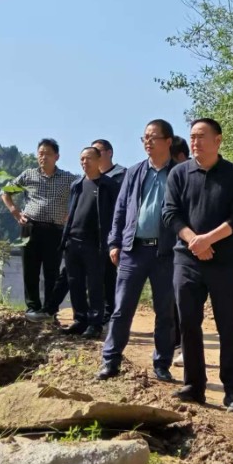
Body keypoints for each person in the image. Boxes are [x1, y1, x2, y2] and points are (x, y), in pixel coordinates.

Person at [163, 118, 233, 413]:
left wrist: (208, 240)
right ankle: (194, 385)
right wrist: (194, 241)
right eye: (192, 136)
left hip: (224, 262)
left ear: (218, 140)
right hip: (186, 259)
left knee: (229, 325)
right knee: (188, 323)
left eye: (201, 136)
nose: (195, 142)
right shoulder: (179, 173)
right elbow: (170, 213)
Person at [98, 120, 179, 383]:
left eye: (153, 137)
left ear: (168, 141)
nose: (147, 142)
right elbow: (120, 209)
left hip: (166, 253)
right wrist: (114, 242)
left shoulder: (179, 173)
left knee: (165, 311)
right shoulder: (134, 172)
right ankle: (110, 361)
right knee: (122, 308)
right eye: (144, 137)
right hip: (133, 250)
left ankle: (162, 363)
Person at [2, 139, 76, 323]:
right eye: (40, 153)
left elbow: (81, 194)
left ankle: (50, 311)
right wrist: (15, 211)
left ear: (57, 157)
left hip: (55, 230)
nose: (43, 157)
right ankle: (32, 308)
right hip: (30, 228)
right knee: (30, 270)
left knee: (52, 272)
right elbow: (6, 192)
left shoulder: (67, 178)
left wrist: (72, 214)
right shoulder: (29, 175)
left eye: (48, 153)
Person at [59, 146, 120, 338]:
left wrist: (113, 241)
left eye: (89, 158)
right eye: (82, 159)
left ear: (99, 160)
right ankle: (80, 320)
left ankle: (95, 324)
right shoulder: (77, 184)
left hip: (95, 244)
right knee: (74, 283)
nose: (85, 162)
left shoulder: (109, 185)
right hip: (73, 241)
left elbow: (117, 214)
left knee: (95, 285)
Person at [92, 139, 127, 324]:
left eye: (99, 151)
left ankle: (111, 312)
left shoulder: (122, 175)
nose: (95, 155)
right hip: (93, 234)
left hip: (114, 232)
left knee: (110, 274)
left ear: (110, 152)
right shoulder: (90, 178)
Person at [169, 135, 190, 367]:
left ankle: (186, 348)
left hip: (190, 249)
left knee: (185, 303)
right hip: (165, 247)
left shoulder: (191, 176)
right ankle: (172, 344)